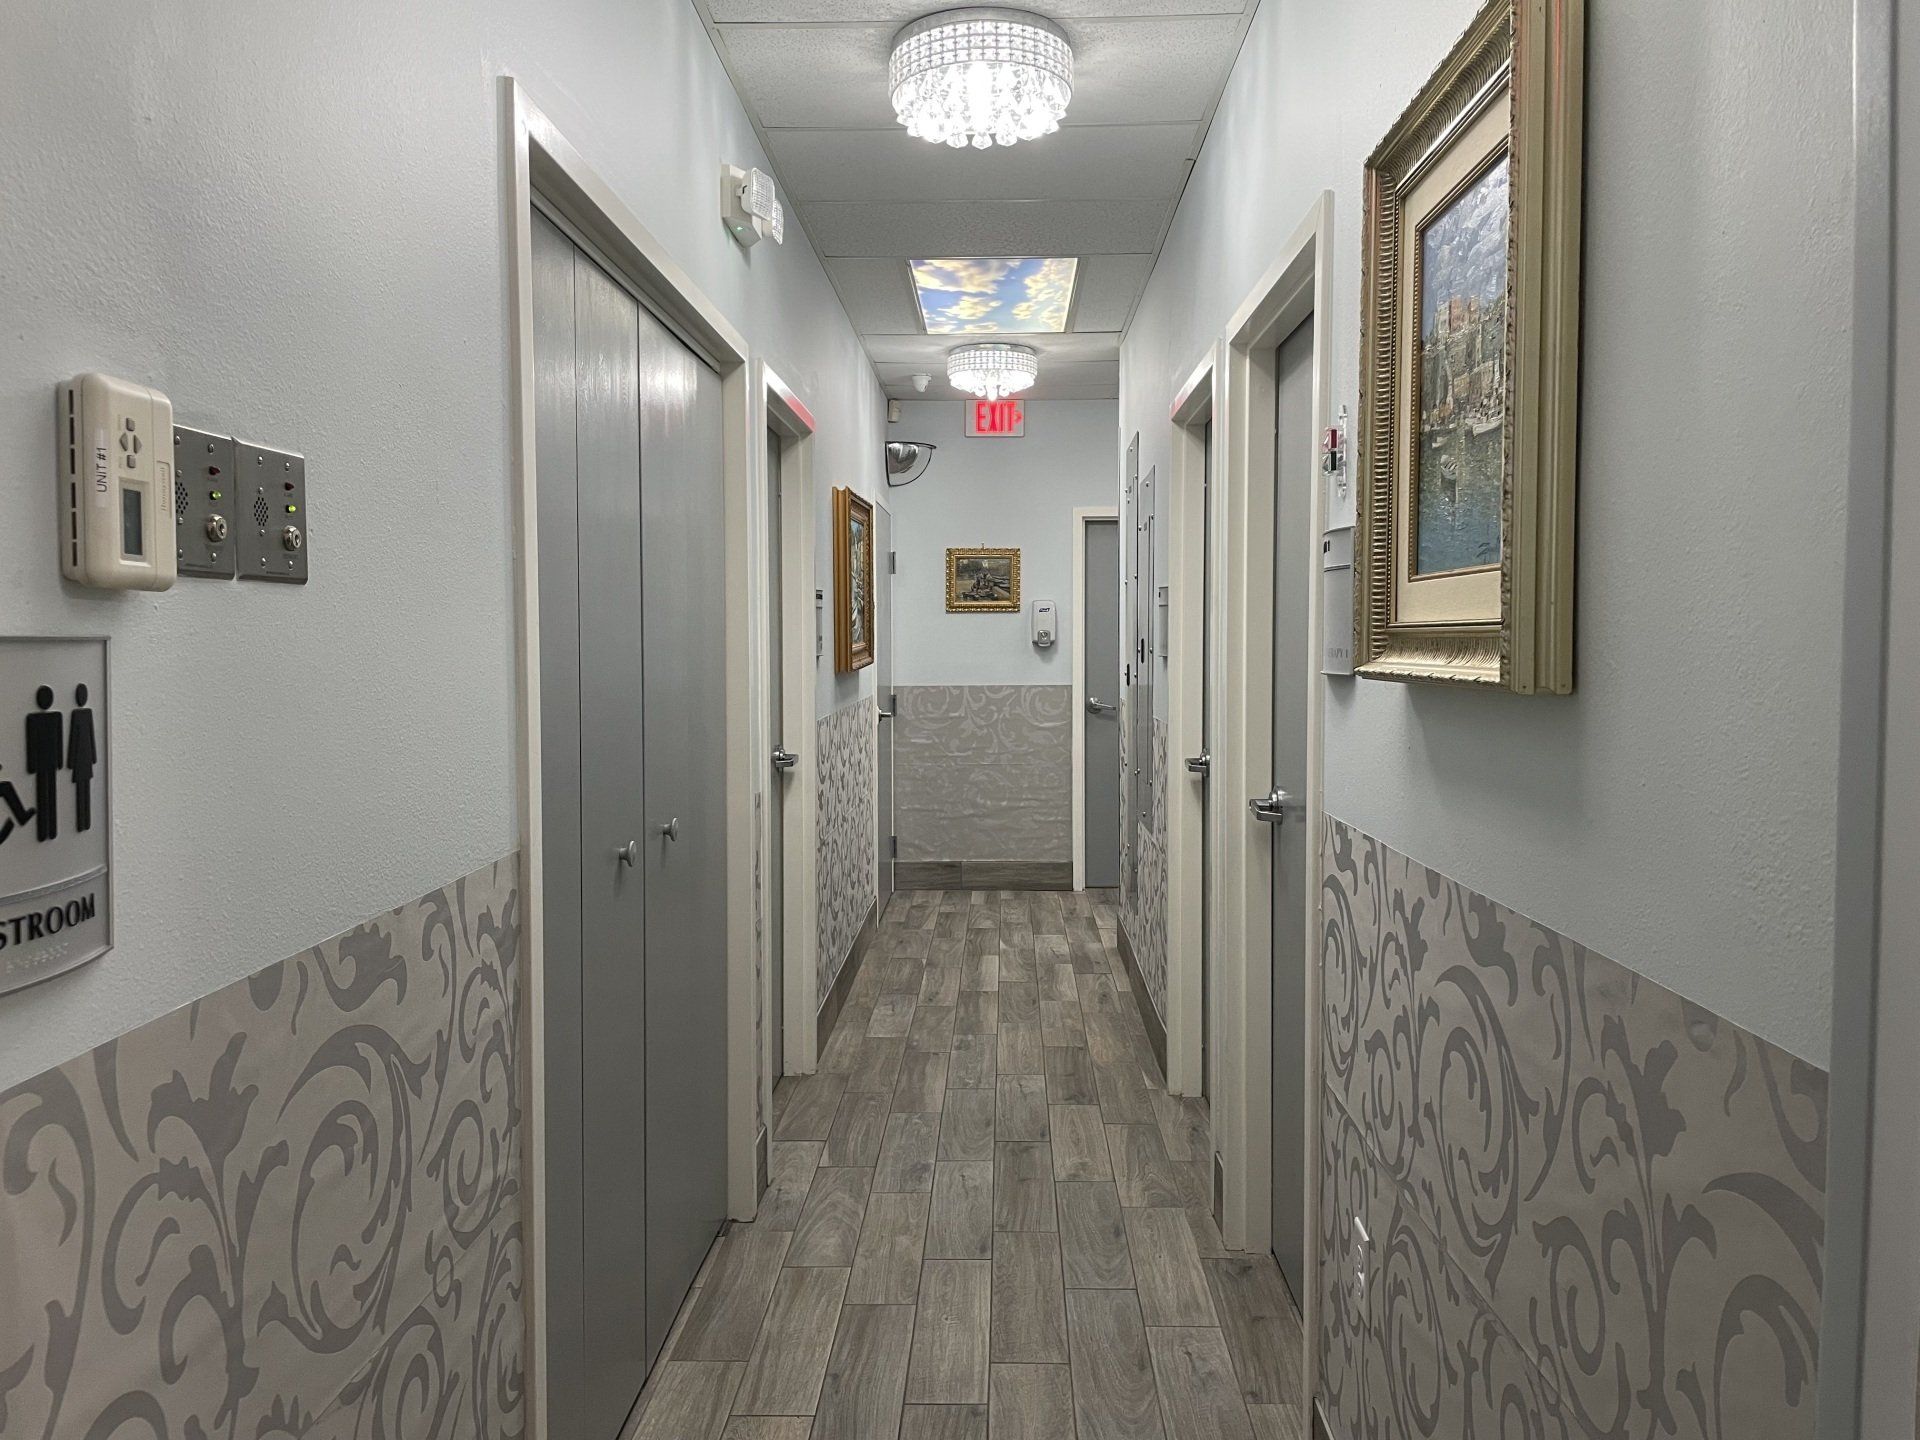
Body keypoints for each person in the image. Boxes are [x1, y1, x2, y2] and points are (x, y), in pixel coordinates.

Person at [25, 685, 62, 842]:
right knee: (49, 796)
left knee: (44, 795)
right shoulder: (54, 717)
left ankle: (46, 831)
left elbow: (32, 744)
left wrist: (32, 765)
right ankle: (49, 831)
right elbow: (59, 742)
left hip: (42, 764)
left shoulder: (35, 719)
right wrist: (60, 761)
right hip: (50, 763)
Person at [67, 683, 97, 833]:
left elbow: (77, 738)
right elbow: (80, 737)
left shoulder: (82, 714)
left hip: (82, 759)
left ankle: (84, 822)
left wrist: (70, 762)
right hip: (83, 759)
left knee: (83, 789)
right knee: (82, 789)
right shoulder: (81, 714)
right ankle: (83, 822)